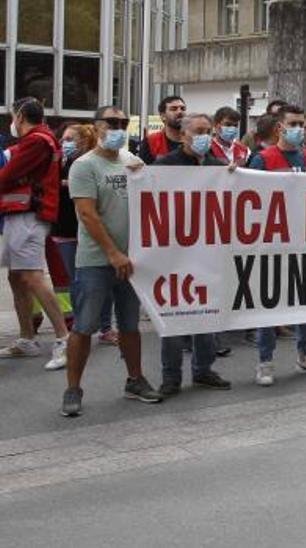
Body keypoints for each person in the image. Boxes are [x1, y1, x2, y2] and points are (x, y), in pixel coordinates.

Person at [62, 105, 165, 416]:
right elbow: (87, 214)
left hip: (132, 261)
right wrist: (112, 253)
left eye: (123, 122)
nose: (118, 127)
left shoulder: (133, 162)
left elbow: (158, 197)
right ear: (97, 126)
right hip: (96, 260)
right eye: (112, 122)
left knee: (130, 325)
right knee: (84, 325)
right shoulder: (84, 166)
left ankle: (135, 380)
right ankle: (73, 388)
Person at [239, 105, 306, 384]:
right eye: (293, 124)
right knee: (269, 303)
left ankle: (305, 356)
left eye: (302, 124)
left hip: (305, 241)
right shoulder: (262, 159)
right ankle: (265, 362)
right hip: (273, 243)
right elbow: (249, 197)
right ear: (279, 127)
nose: (300, 130)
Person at [151, 113, 232, 395]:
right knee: (174, 316)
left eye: (208, 131)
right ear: (183, 135)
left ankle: (203, 369)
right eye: (198, 131)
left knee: (207, 314)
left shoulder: (218, 165)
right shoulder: (165, 165)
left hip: (208, 253)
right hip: (174, 254)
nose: (204, 136)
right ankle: (171, 376)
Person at [0, 98, 71, 370]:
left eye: (12, 117)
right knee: (17, 276)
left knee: (31, 276)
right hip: (21, 214)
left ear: (19, 116)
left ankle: (64, 338)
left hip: (29, 215)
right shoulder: (42, 140)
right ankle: (27, 339)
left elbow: (7, 176)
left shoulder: (37, 141)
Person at [55, 124, 117, 346]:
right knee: (76, 283)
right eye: (63, 139)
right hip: (63, 230)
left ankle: (105, 327)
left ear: (83, 140)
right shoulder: (59, 162)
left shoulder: (90, 163)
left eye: (70, 139)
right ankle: (81, 328)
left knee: (103, 281)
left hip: (89, 231)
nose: (65, 143)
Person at [138, 95, 186, 164]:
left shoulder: (195, 141)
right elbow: (144, 171)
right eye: (174, 109)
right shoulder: (150, 141)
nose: (180, 112)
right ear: (163, 116)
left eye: (183, 108)